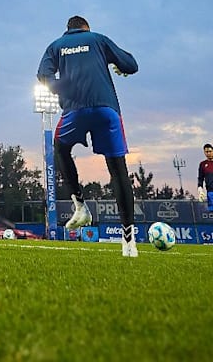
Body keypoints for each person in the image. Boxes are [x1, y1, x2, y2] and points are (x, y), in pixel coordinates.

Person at [37, 15, 139, 257]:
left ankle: (80, 205)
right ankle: (129, 241)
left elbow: (43, 76)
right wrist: (117, 66)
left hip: (75, 109)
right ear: (86, 28)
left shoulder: (55, 46)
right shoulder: (98, 40)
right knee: (118, 169)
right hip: (107, 109)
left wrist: (65, 88)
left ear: (67, 30)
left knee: (60, 147)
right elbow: (131, 65)